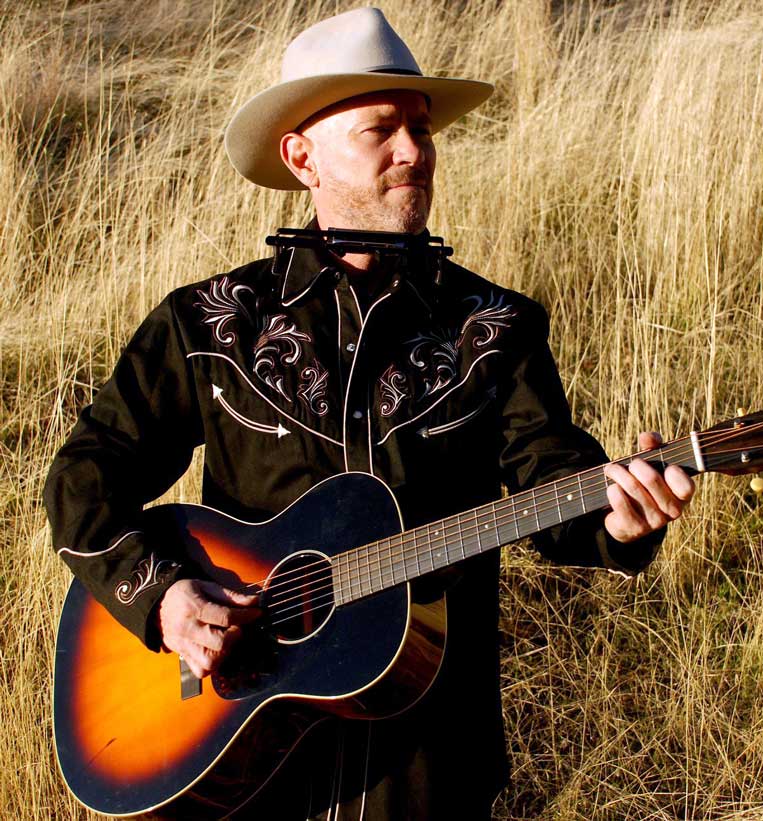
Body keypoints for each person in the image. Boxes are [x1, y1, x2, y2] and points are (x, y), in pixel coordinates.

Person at [44, 8, 694, 819]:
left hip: (422, 766)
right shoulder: (210, 324)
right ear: (302, 157)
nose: (414, 151)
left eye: (421, 129)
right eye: (380, 130)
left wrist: (620, 517)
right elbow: (83, 478)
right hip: (243, 756)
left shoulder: (494, 330)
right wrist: (166, 597)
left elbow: (553, 482)